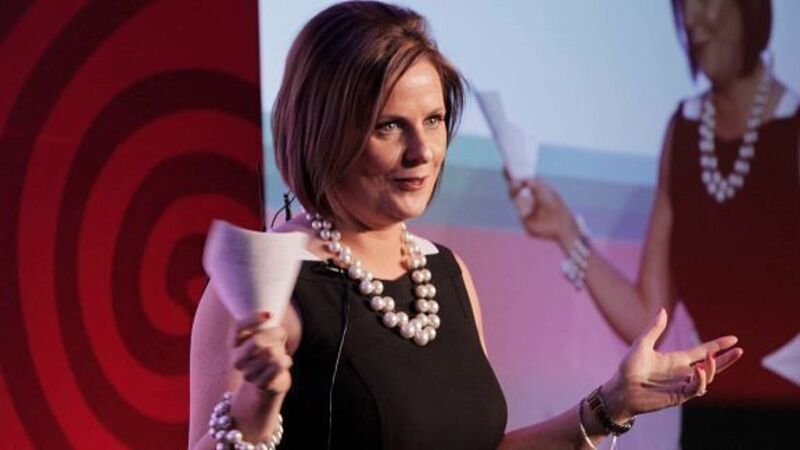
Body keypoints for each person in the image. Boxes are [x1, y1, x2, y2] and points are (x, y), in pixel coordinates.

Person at [188, 2, 743, 449]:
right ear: (323, 132)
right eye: (389, 126)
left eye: (433, 120)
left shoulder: (444, 273)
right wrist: (256, 407)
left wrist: (610, 405)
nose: (423, 151)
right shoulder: (266, 290)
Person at [510, 0, 799, 447]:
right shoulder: (683, 130)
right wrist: (565, 230)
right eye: (685, 7)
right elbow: (648, 316)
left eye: (709, 2)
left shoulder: (792, 128)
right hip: (713, 412)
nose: (695, 20)